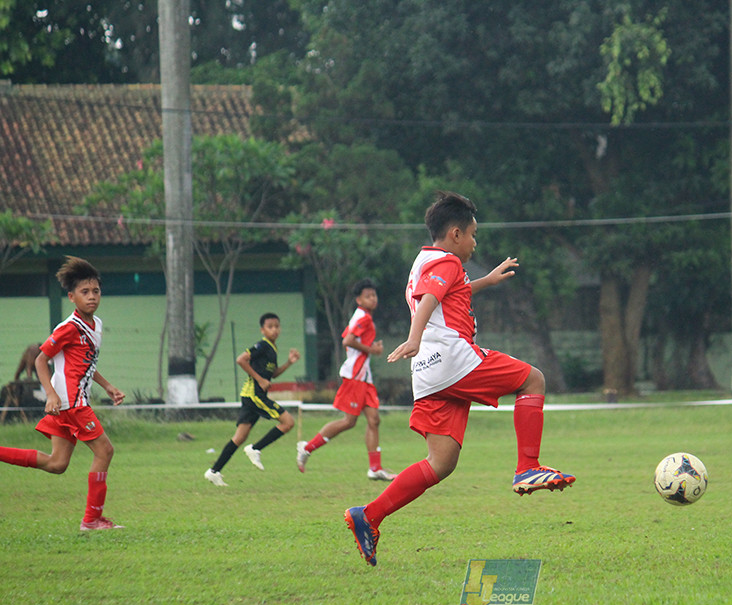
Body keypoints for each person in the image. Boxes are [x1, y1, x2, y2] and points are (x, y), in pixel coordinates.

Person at [344, 191, 575, 566]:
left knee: (441, 462)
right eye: (472, 234)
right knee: (533, 380)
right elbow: (434, 298)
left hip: (428, 373)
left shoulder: (425, 260)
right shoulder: (448, 262)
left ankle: (367, 516)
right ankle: (527, 467)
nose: (474, 242)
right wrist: (414, 338)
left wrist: (486, 281)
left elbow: (444, 291)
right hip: (454, 359)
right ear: (454, 234)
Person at [0, 256, 125, 531]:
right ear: (71, 297)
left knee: (57, 463)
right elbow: (40, 360)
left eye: (95, 291)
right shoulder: (68, 328)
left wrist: (107, 386)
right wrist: (51, 395)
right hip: (71, 403)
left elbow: (86, 363)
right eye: (84, 292)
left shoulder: (96, 325)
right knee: (105, 451)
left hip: (71, 401)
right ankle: (92, 520)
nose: (91, 297)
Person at [296, 279, 396, 481]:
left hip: (363, 377)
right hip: (355, 376)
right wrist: (373, 350)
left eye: (374, 295)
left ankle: (375, 468)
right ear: (359, 299)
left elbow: (350, 338)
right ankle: (307, 448)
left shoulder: (361, 316)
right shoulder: (363, 318)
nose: (373, 298)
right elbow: (347, 341)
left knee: (374, 420)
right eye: (368, 295)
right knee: (349, 421)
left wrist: (368, 348)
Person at [204, 313, 300, 486]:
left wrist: (289, 363)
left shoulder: (272, 348)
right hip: (254, 394)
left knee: (239, 437)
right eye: (270, 326)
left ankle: (214, 471)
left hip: (251, 396)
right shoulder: (262, 345)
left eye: (277, 326)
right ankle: (255, 449)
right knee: (288, 422)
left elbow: (273, 374)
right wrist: (260, 380)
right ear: (262, 330)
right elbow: (241, 360)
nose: (275, 330)